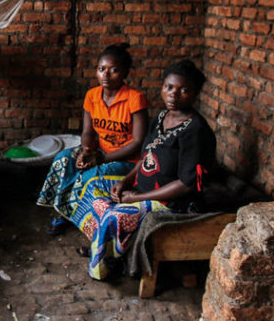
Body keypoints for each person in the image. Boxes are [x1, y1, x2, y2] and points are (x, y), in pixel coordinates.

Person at [76, 59, 216, 280]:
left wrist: (138, 198)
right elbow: (145, 157)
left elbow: (186, 184)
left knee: (114, 217)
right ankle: (103, 247)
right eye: (169, 87)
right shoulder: (161, 117)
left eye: (183, 90)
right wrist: (126, 182)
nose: (173, 94)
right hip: (141, 189)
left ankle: (106, 264)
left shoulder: (195, 131)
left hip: (172, 203)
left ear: (195, 94)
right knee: (92, 188)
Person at [36, 43, 149, 236]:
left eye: (113, 70)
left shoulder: (134, 98)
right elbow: (87, 131)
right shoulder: (92, 95)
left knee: (89, 175)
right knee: (63, 159)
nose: (105, 75)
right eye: (101, 69)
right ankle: (63, 212)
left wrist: (101, 159)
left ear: (124, 73)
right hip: (100, 152)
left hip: (127, 160)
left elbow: (138, 142)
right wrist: (87, 150)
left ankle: (76, 216)